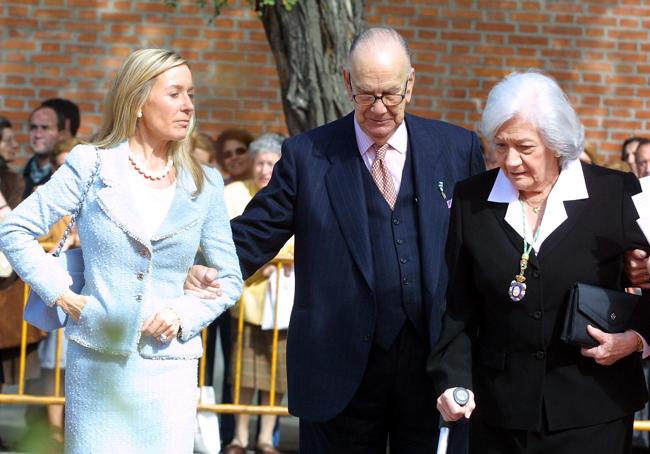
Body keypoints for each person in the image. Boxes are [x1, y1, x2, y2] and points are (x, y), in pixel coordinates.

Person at [187, 27, 484, 453]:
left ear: (411, 84)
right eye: (365, 95)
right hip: (338, 370)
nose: (379, 108)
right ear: (346, 83)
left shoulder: (457, 149)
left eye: (391, 95)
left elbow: (481, 246)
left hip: (432, 369)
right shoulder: (308, 156)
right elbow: (254, 232)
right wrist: (198, 264)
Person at [0, 48, 243, 453]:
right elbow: (15, 231)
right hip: (98, 364)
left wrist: (182, 314)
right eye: (175, 93)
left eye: (192, 95)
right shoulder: (92, 164)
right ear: (137, 102)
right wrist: (63, 295)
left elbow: (230, 278)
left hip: (171, 368)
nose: (188, 106)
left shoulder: (205, 183)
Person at [428, 71, 650, 454]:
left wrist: (635, 339)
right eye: (501, 146)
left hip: (593, 407)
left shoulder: (614, 193)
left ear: (556, 143)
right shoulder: (472, 201)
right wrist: (453, 380)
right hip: (499, 413)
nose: (510, 161)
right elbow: (458, 307)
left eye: (525, 147)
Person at [222, 133, 291, 454]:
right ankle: (239, 436)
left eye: (271, 163)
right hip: (249, 302)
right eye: (260, 162)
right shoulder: (236, 192)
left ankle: (266, 438)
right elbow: (227, 234)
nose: (265, 169)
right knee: (244, 376)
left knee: (276, 379)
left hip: (285, 305)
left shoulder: (291, 192)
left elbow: (297, 242)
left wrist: (272, 256)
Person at [22, 105, 64, 197]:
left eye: (45, 128)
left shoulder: (66, 177)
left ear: (60, 134)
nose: (38, 134)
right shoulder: (19, 175)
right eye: (33, 127)